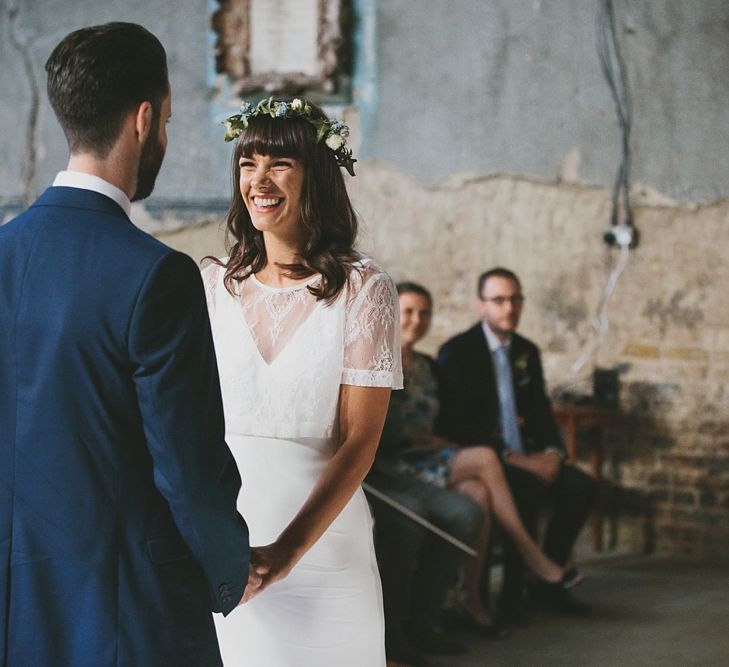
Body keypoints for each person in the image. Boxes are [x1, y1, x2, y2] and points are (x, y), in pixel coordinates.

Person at [0, 23, 255, 666]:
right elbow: (186, 462)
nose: (164, 136)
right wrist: (230, 566)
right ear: (143, 119)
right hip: (123, 612)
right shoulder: (155, 274)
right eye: (167, 121)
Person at [203, 97, 402, 666]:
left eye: (279, 164)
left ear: (316, 176)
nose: (259, 181)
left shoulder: (364, 290)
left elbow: (360, 441)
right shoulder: (214, 286)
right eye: (248, 163)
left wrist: (284, 555)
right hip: (232, 547)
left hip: (323, 551)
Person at [370, 282, 582, 665]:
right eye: (408, 312)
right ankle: (531, 557)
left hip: (429, 456)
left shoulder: (429, 367)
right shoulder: (377, 361)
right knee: (484, 458)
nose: (416, 320)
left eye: (423, 312)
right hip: (393, 462)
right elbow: (376, 430)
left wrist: (441, 439)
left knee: (478, 497)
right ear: (391, 315)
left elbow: (452, 419)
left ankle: (445, 609)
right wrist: (431, 440)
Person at [438, 267, 597, 621]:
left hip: (529, 454)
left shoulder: (527, 351)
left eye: (515, 299)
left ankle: (547, 582)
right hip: (489, 457)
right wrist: (514, 459)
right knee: (525, 488)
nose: (509, 308)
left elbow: (541, 411)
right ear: (481, 305)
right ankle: (511, 594)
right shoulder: (458, 353)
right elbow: (457, 425)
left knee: (581, 486)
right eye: (499, 300)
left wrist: (554, 454)